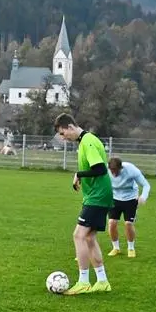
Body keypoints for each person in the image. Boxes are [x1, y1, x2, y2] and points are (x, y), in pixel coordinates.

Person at [54, 113, 113, 294]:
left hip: (97, 196)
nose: (63, 138)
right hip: (98, 196)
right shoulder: (86, 141)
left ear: (70, 127)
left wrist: (79, 174)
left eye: (63, 133)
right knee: (89, 237)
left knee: (78, 235)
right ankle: (102, 281)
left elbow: (101, 169)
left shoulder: (87, 141)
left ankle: (84, 281)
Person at [106, 157, 151, 258]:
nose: (113, 174)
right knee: (112, 223)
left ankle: (131, 248)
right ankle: (115, 248)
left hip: (130, 198)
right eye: (111, 171)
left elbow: (146, 185)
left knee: (128, 224)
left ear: (120, 168)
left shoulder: (131, 170)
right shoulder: (105, 170)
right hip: (114, 198)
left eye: (116, 171)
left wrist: (143, 197)